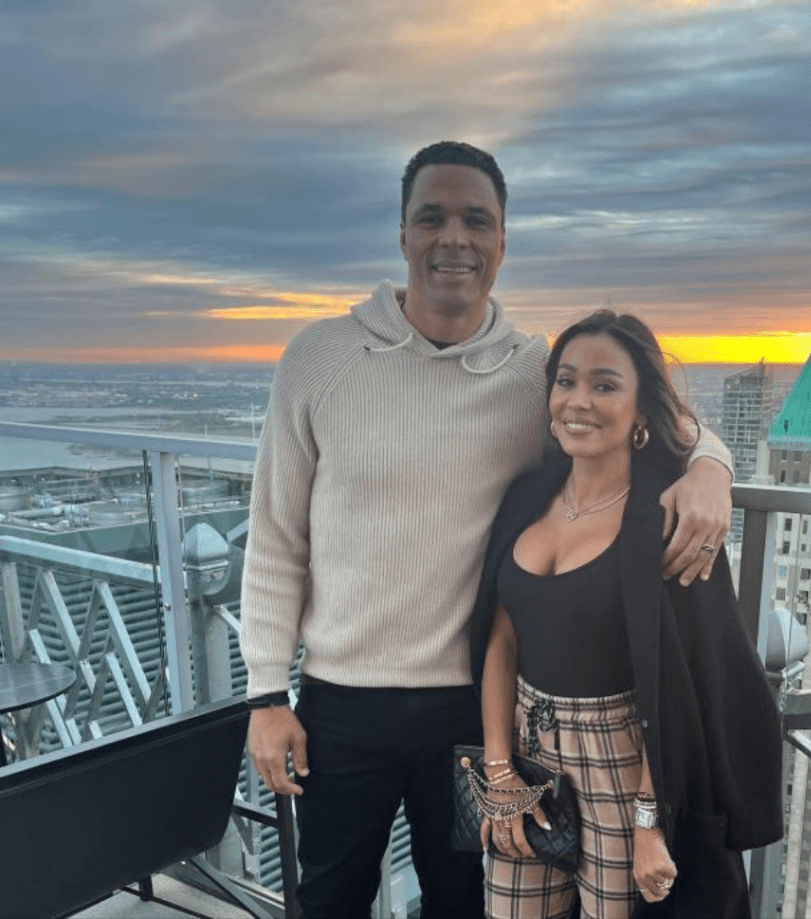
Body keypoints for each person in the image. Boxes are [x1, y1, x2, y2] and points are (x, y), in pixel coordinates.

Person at [240, 141, 736, 919]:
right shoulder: (318, 359)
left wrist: (712, 467)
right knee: (328, 896)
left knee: (466, 902)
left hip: (474, 711)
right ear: (402, 234)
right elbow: (274, 536)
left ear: (503, 241)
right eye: (431, 217)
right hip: (342, 704)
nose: (454, 239)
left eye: (477, 220)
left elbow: (640, 416)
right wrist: (266, 693)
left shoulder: (530, 375)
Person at [471, 311, 783, 919]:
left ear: (642, 411)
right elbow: (501, 643)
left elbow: (675, 682)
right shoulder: (527, 496)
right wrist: (498, 769)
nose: (578, 401)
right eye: (566, 381)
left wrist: (647, 821)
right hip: (527, 749)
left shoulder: (667, 518)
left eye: (605, 385)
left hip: (622, 759)